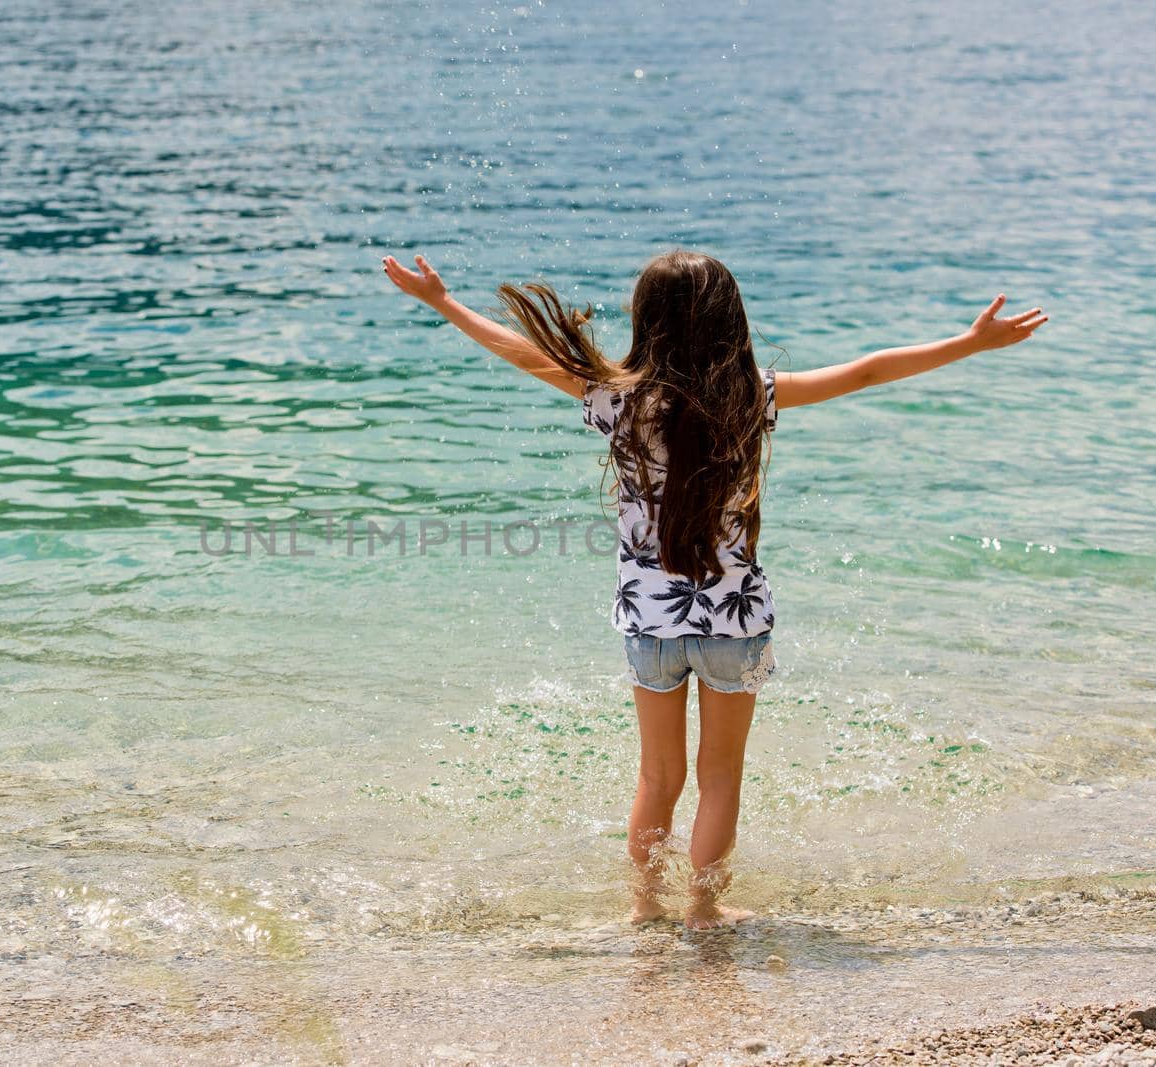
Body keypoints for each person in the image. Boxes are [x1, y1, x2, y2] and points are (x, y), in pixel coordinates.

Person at [381, 249, 1047, 928]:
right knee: (719, 776)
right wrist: (968, 343)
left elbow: (523, 354)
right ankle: (703, 908)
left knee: (656, 778)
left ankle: (644, 907)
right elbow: (869, 370)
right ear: (731, 320)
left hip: (649, 621)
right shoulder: (751, 394)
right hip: (736, 622)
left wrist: (443, 302)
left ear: (648, 321)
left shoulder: (618, 396)